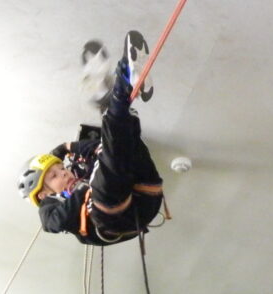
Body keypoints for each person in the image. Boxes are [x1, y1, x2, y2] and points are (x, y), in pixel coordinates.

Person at [18, 31, 164, 246]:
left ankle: (116, 104)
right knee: (108, 162)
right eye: (53, 176)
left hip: (144, 193)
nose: (64, 172)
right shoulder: (49, 209)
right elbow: (54, 222)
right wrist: (83, 190)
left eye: (61, 168)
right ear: (43, 194)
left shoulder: (81, 173)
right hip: (114, 216)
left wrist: (66, 147)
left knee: (122, 148)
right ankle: (121, 88)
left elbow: (98, 147)